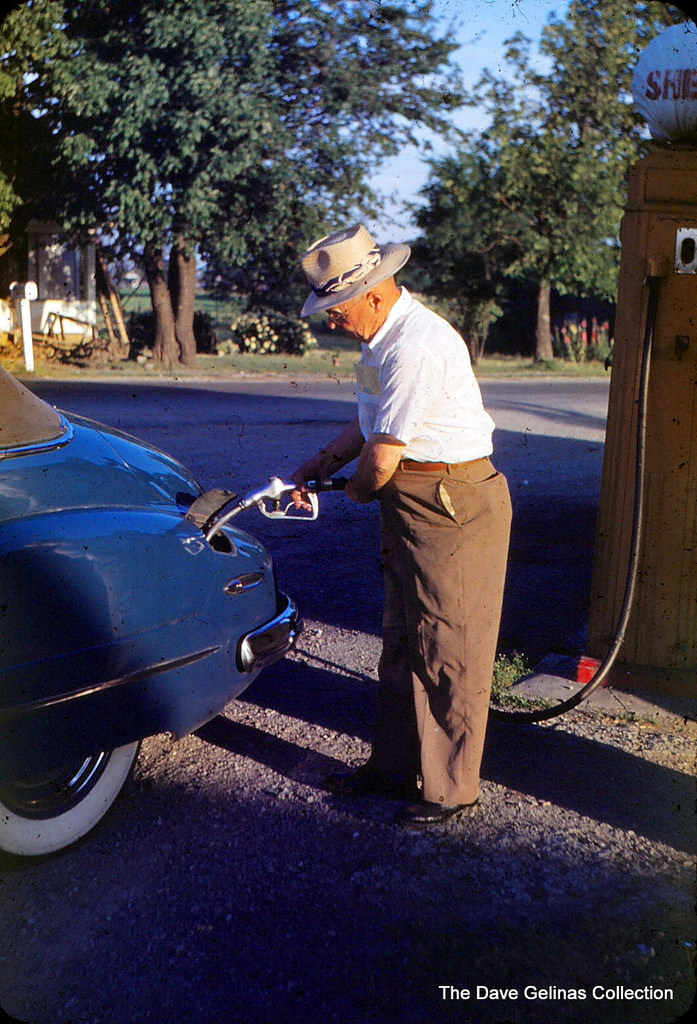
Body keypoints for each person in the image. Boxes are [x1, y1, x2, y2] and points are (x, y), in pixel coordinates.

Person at [293, 224, 512, 828]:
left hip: (451, 502)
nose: (330, 320)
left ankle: (450, 791)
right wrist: (318, 467)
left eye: (335, 308)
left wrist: (353, 489)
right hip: (412, 498)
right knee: (401, 639)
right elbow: (367, 425)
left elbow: (382, 459)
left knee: (450, 648)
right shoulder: (376, 345)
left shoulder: (414, 345)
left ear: (372, 292)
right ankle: (391, 766)